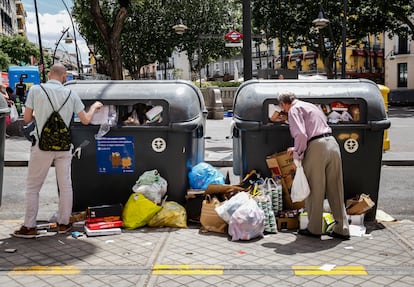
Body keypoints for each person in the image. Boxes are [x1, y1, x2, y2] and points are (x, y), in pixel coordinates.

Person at [13, 63, 103, 238]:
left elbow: (26, 118)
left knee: (33, 187)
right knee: (66, 185)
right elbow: (85, 120)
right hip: (64, 146)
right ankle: (63, 224)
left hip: (42, 146)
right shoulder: (71, 93)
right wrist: (94, 107)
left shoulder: (36, 91)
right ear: (64, 77)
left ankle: (29, 227)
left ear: (49, 75)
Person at [278, 92, 350, 240]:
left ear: (283, 104)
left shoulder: (293, 110)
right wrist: (296, 148)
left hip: (316, 148)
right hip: (332, 143)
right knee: (335, 188)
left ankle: (315, 228)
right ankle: (342, 228)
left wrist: (298, 155)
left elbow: (301, 135)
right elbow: (314, 129)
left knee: (315, 188)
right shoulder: (310, 106)